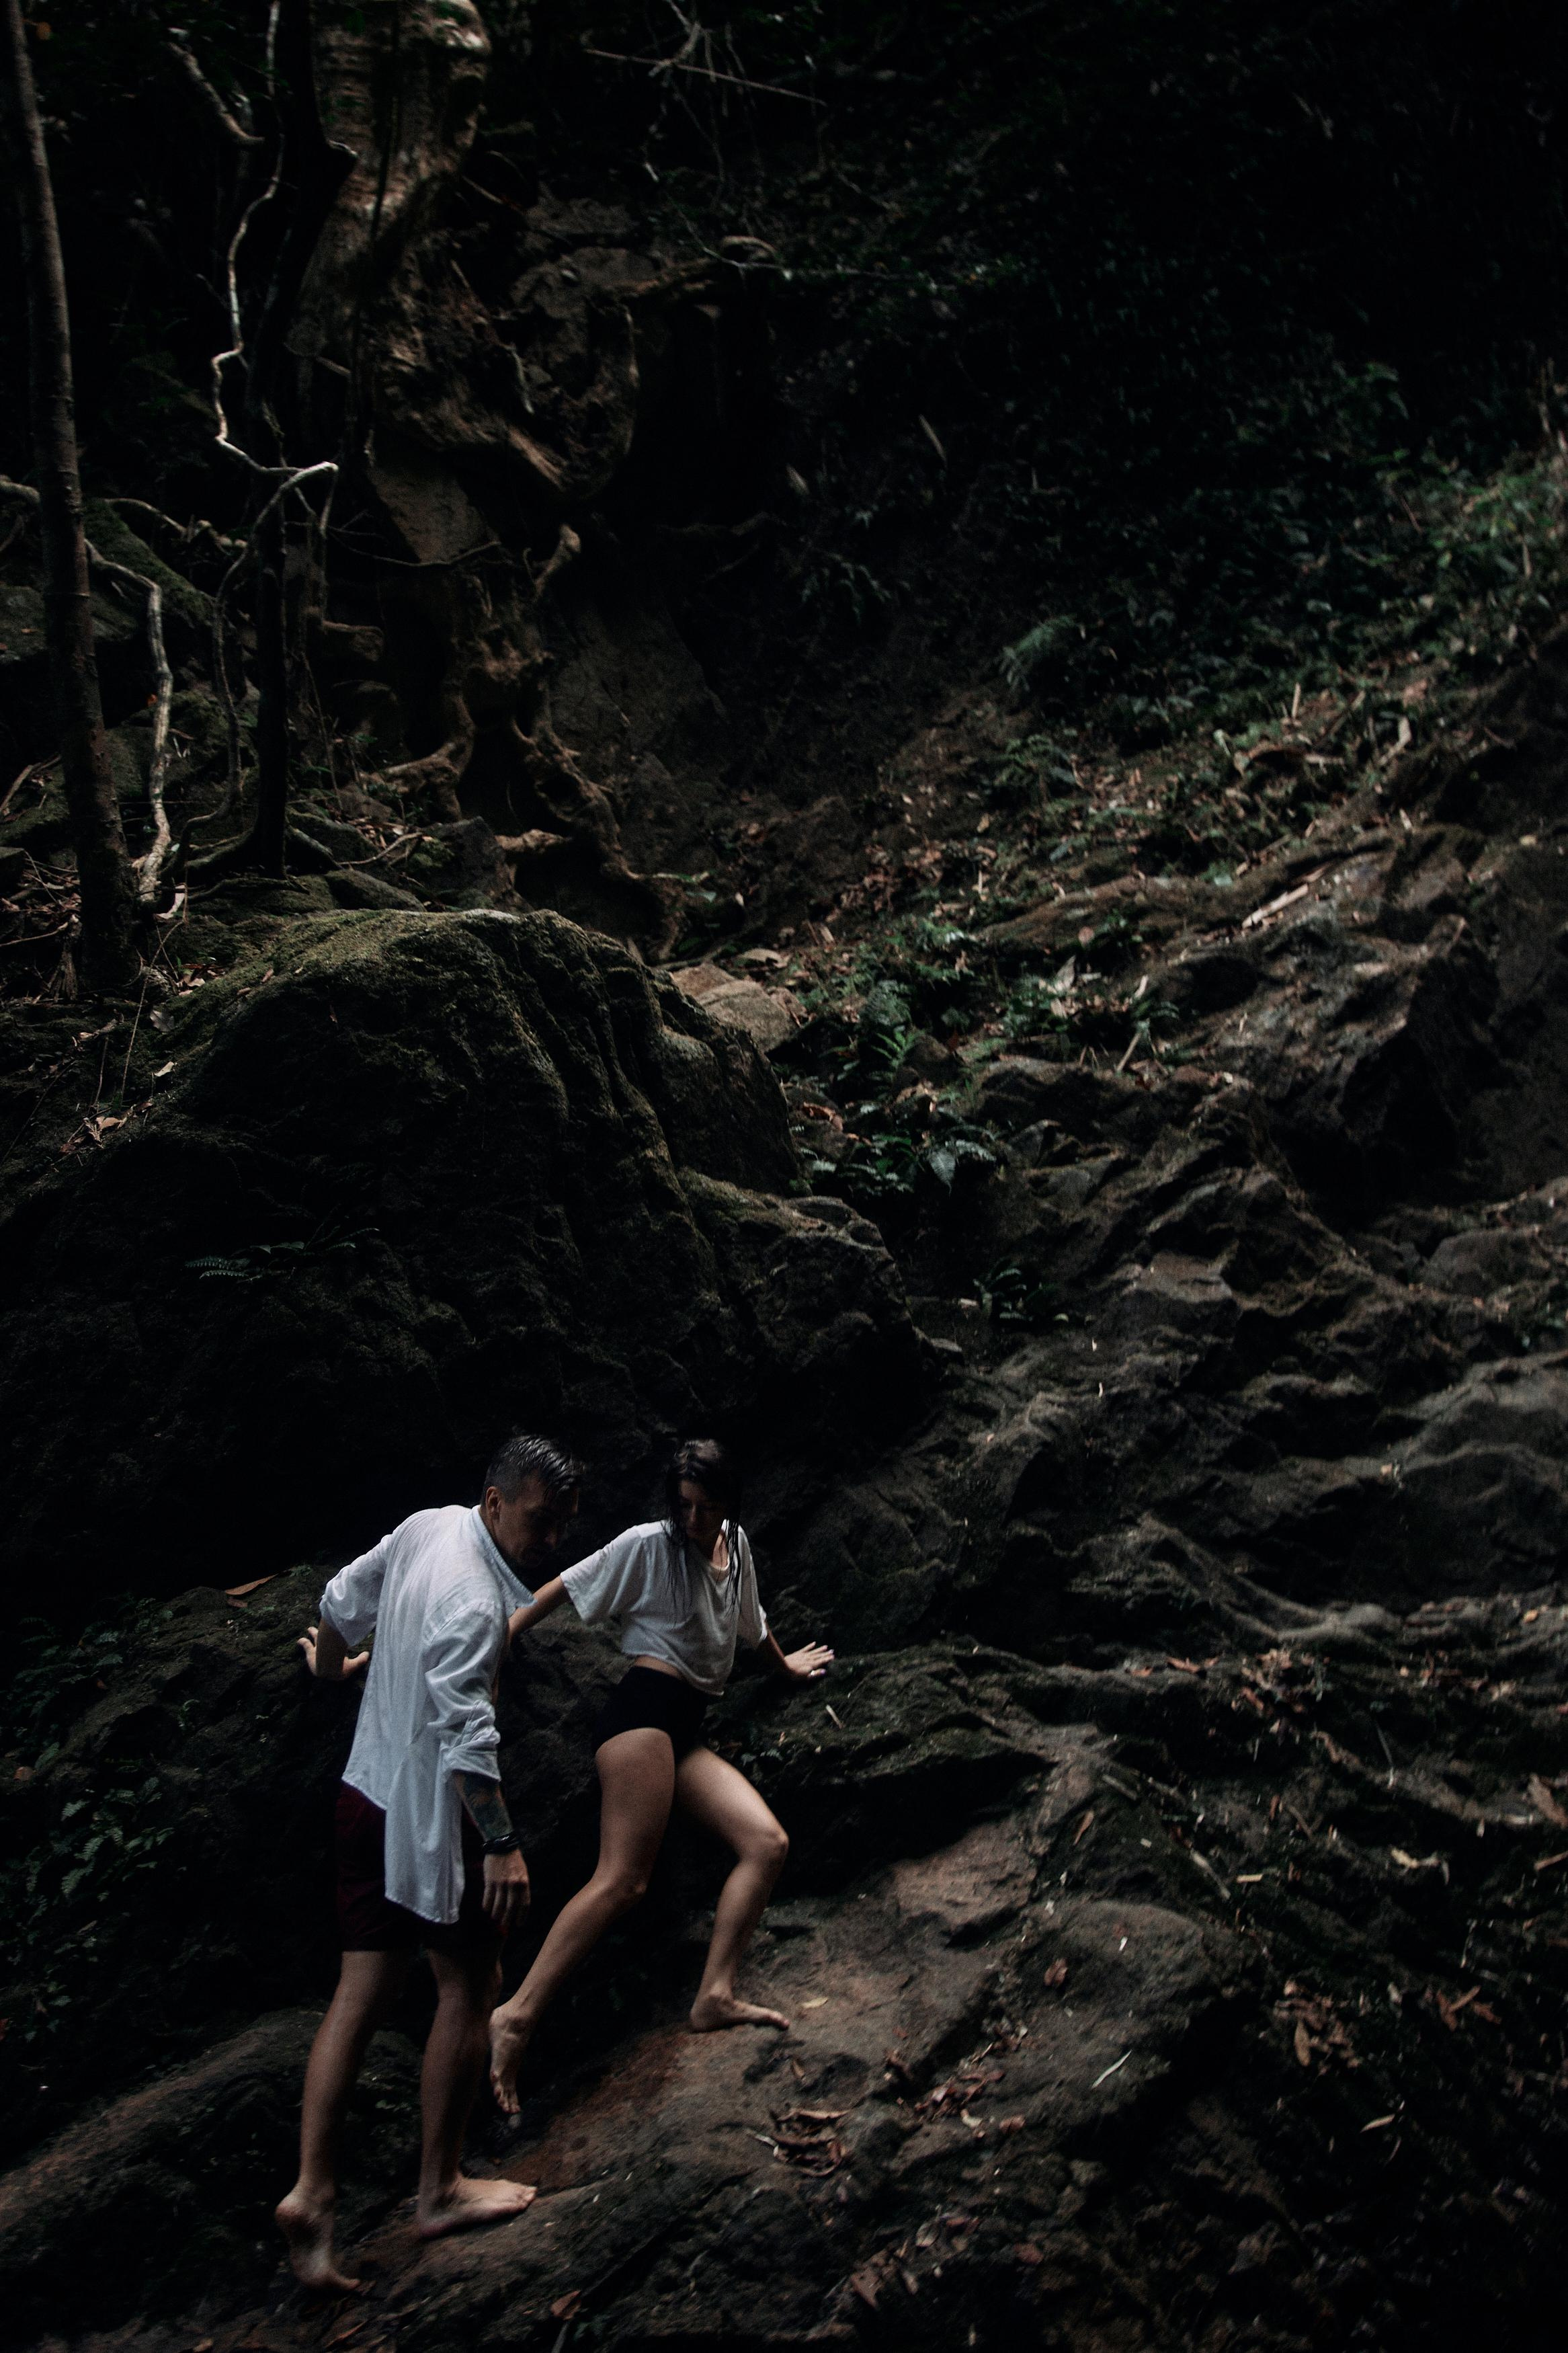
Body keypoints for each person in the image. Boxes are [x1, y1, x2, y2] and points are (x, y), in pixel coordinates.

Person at [275, 1433, 582, 2292]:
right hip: (423, 1821)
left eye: (561, 1525)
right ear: (494, 1502)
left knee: (360, 1991)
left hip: (360, 1792)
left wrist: (334, 1671)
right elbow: (466, 1733)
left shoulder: (426, 1526)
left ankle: (310, 2194)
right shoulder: (476, 1596)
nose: (549, 1539)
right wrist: (502, 1843)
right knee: (472, 1980)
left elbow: (341, 1599)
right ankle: (439, 2188)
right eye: (537, 1519)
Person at [488, 1437, 831, 2117]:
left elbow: (750, 1625)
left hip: (683, 1732)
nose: (694, 1520)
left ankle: (714, 1994)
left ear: (729, 1503)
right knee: (622, 1879)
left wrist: (785, 1665)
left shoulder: (734, 1547)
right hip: (641, 1716)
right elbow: (565, 1585)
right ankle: (515, 2014)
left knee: (766, 1843)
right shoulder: (649, 1543)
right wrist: (498, 1634)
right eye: (684, 1506)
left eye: (707, 1507)